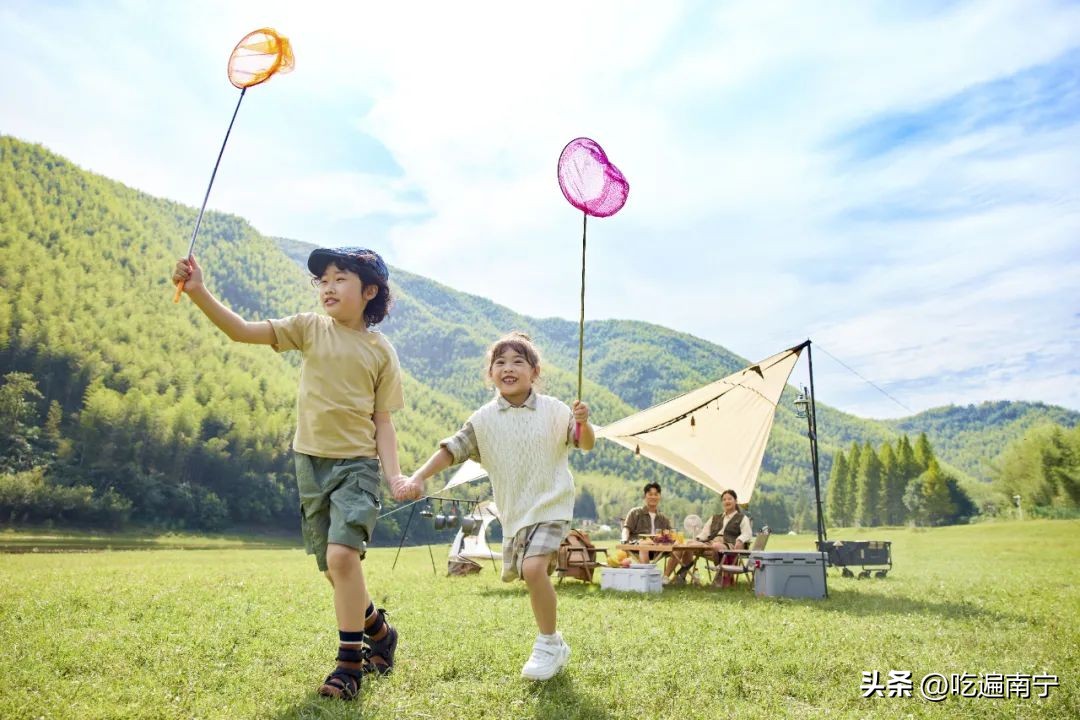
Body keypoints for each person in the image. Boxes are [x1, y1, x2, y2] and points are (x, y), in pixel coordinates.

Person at [172, 247, 407, 700]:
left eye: (340, 278)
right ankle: (380, 632)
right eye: (323, 280)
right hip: (310, 464)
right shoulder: (308, 328)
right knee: (334, 571)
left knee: (343, 560)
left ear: (370, 291)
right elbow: (241, 331)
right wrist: (199, 290)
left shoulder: (380, 352)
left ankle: (348, 667)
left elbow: (384, 423)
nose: (328, 287)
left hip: (357, 466)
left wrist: (394, 475)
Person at [397, 331, 593, 681]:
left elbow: (584, 443)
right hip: (516, 512)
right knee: (528, 573)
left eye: (518, 361)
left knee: (533, 570)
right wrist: (419, 476)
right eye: (500, 362)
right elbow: (451, 449)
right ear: (490, 373)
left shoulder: (555, 409)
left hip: (553, 503)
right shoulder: (483, 419)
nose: (508, 368)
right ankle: (556, 643)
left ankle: (548, 643)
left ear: (534, 371)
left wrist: (582, 421)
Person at [669, 489, 751, 586]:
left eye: (730, 499)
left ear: (735, 501)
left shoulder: (742, 518)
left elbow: (747, 533)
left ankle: (719, 576)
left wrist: (740, 539)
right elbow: (705, 533)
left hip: (729, 545)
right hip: (711, 543)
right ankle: (682, 576)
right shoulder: (715, 517)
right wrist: (697, 540)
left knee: (716, 546)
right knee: (689, 544)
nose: (727, 501)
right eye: (724, 499)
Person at [623, 482, 674, 565]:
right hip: (638, 546)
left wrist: (673, 540)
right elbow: (626, 529)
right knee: (644, 545)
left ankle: (666, 577)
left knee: (679, 550)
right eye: (650, 494)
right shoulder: (635, 512)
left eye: (656, 494)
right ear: (644, 496)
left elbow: (671, 534)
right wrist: (624, 540)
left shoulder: (663, 518)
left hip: (658, 549)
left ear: (659, 497)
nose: (653, 497)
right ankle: (646, 576)